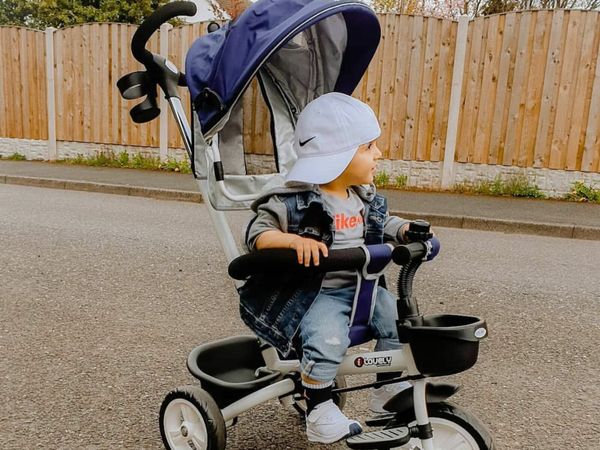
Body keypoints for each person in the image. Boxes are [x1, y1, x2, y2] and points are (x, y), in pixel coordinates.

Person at [239, 92, 419, 444]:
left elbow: (383, 222)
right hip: (316, 294)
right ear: (338, 155)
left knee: (400, 325)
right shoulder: (294, 202)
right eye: (369, 147)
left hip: (363, 291)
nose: (378, 154)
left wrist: (404, 231)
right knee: (327, 341)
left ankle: (386, 391)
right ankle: (319, 412)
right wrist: (294, 242)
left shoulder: (360, 196)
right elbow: (257, 234)